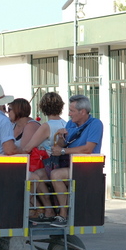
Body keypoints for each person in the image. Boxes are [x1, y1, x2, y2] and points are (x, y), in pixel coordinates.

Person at [49, 95, 103, 227]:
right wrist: (61, 138)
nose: (69, 114)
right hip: (69, 164)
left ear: (82, 111)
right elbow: (63, 145)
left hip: (86, 167)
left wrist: (62, 151)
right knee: (39, 174)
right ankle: (47, 212)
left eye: (72, 111)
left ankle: (63, 214)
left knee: (56, 175)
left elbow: (88, 149)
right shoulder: (70, 124)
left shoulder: (96, 124)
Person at [22, 92, 67, 221]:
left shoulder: (47, 126)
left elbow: (27, 148)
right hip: (60, 165)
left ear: (43, 108)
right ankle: (49, 209)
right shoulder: (66, 124)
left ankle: (46, 208)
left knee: (35, 175)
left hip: (48, 166)